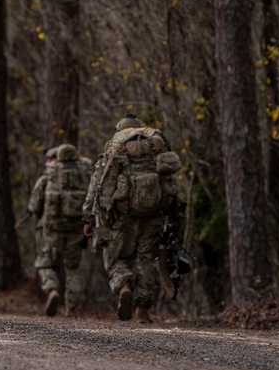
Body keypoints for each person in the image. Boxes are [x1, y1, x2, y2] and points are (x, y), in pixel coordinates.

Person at [83, 113, 184, 323]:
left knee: (116, 259)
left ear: (119, 128)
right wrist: (175, 217)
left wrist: (88, 218)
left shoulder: (115, 147)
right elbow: (171, 184)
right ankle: (142, 309)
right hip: (154, 213)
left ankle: (124, 286)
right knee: (148, 259)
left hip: (121, 215)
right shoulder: (155, 145)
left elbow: (97, 185)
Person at [28, 144, 91, 317]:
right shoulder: (84, 173)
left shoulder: (49, 175)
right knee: (73, 268)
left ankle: (51, 289)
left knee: (45, 263)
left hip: (52, 228)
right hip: (76, 227)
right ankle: (72, 308)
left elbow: (34, 206)